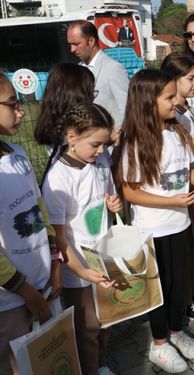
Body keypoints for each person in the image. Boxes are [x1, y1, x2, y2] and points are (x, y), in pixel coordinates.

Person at [114, 69, 194, 373]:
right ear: (146, 101)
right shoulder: (136, 143)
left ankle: (177, 331)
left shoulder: (177, 131)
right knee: (159, 289)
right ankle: (159, 344)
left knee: (178, 284)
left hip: (180, 224)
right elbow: (130, 191)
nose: (175, 101)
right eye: (168, 97)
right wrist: (170, 201)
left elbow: (184, 173)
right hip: (152, 229)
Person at [42, 103, 122, 375]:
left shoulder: (98, 161)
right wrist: (81, 271)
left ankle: (100, 365)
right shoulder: (58, 178)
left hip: (104, 257)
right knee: (87, 327)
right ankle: (90, 369)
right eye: (96, 144)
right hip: (80, 270)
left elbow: (107, 193)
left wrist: (113, 203)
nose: (102, 151)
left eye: (104, 144)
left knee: (107, 320)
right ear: (72, 137)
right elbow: (59, 236)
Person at [0, 71, 60, 375]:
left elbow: (40, 212)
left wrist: (55, 261)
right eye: (12, 103)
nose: (22, 110)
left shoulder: (19, 154)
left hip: (43, 283)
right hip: (11, 301)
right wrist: (26, 292)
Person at [159, 52, 194, 324]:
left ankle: (188, 292)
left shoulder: (185, 110)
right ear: (172, 80)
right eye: (190, 78)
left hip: (189, 186)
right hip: (175, 195)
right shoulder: (171, 117)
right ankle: (182, 301)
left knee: (189, 244)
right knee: (179, 253)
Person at [67, 20, 129, 131]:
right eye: (70, 44)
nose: (72, 49)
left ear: (91, 41)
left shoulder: (113, 68)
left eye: (76, 44)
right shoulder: (77, 70)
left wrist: (118, 142)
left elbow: (127, 110)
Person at [34, 63, 95, 163]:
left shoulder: (51, 121)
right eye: (90, 92)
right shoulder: (77, 130)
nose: (93, 97)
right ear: (77, 96)